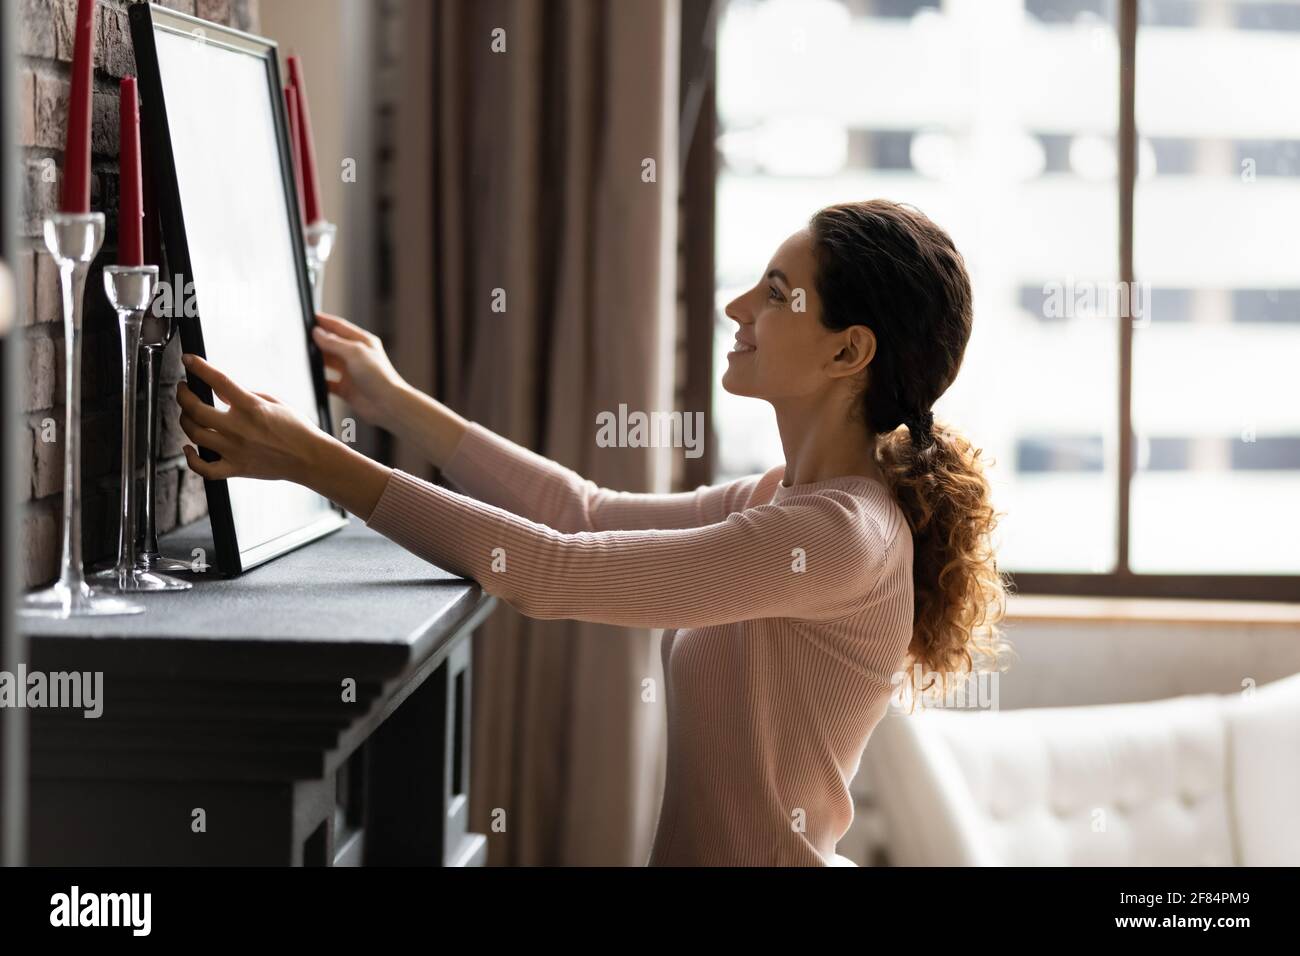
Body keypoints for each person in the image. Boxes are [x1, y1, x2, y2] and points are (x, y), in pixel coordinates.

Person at [175, 198, 1009, 865]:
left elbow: (550, 572)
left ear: (847, 353)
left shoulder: (839, 535)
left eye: (779, 294)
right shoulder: (786, 501)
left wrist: (315, 461)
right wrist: (390, 399)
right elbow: (584, 513)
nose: (738, 306)